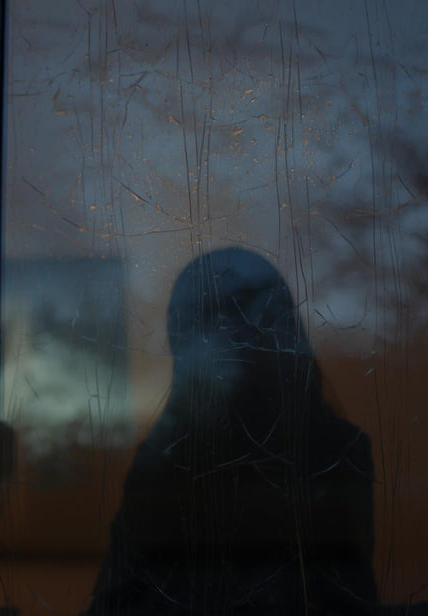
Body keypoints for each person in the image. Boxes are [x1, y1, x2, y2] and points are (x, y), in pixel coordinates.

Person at [84, 247, 377, 615]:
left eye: (249, 323)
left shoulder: (334, 452)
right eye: (205, 325)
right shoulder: (164, 462)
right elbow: (121, 596)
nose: (225, 342)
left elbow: (345, 597)